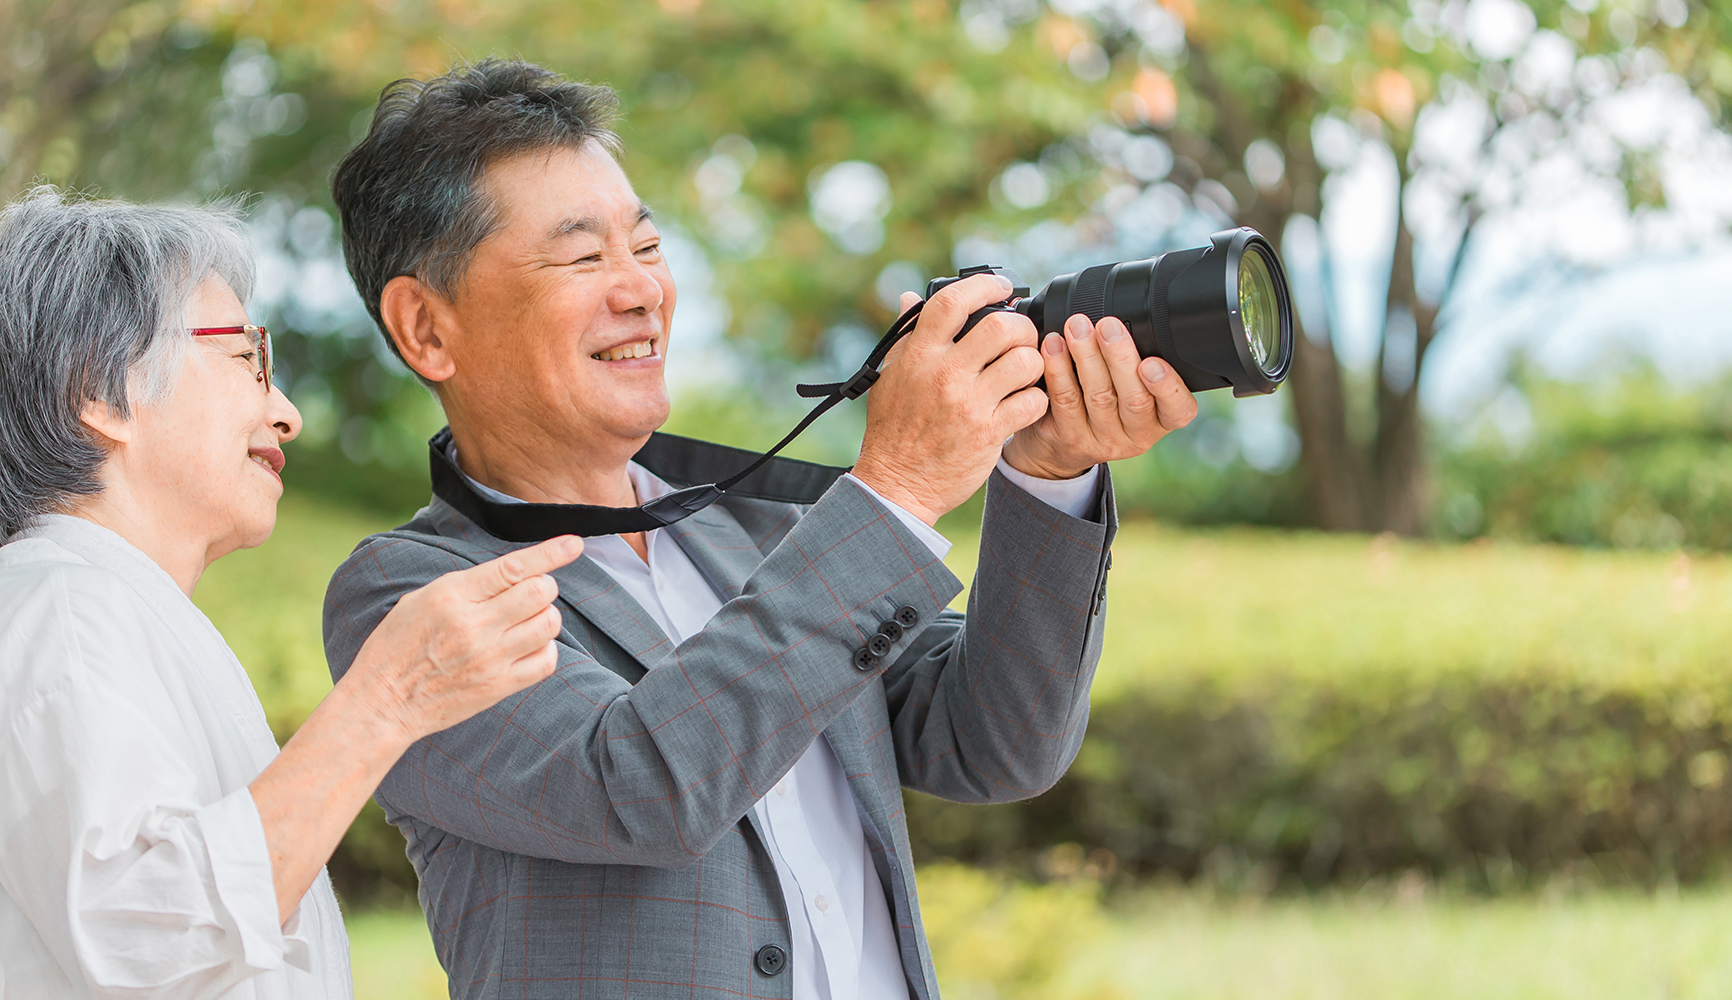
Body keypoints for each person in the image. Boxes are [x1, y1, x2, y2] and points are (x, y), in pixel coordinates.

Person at [322, 59, 1196, 999]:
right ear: (426, 329)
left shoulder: (759, 526)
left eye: (648, 247)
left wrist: (1046, 472)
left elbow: (996, 744)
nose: (641, 291)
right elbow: (639, 786)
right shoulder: (412, 597)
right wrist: (897, 487)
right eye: (583, 257)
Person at [0, 189, 581, 998]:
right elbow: (152, 940)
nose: (288, 412)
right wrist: (389, 698)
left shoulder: (104, 616)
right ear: (99, 388)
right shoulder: (65, 616)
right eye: (246, 358)